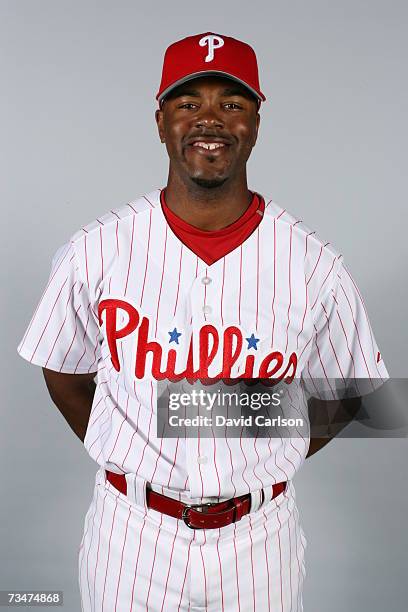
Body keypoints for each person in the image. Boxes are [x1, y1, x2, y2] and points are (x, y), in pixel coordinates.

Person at [17, 32, 388, 611]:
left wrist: (265, 444)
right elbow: (62, 371)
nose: (210, 119)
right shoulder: (96, 249)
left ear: (256, 122)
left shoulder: (314, 263)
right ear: (161, 120)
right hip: (131, 534)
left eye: (232, 104)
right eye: (189, 103)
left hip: (259, 538)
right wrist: (129, 442)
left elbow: (351, 392)